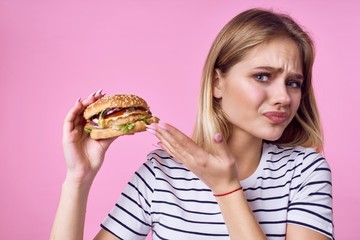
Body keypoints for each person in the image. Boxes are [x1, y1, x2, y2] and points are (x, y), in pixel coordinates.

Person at [51, 8, 334, 240]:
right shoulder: (162, 173)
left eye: (293, 83)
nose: (284, 97)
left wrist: (226, 188)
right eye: (262, 76)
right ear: (216, 83)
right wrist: (78, 179)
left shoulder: (305, 171)